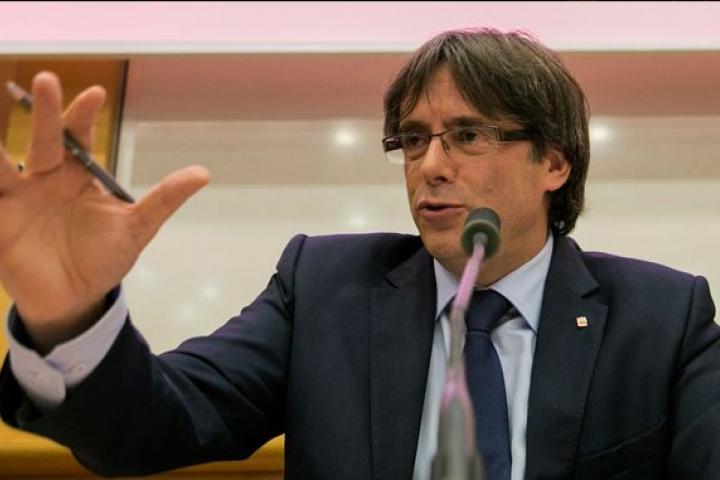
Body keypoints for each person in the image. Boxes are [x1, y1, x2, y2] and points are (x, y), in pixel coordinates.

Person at [1, 28, 719, 480]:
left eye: (469, 136)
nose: (429, 166)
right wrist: (70, 316)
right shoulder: (325, 287)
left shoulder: (664, 319)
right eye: (413, 140)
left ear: (554, 163)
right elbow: (152, 428)